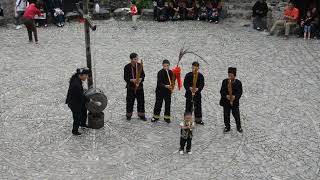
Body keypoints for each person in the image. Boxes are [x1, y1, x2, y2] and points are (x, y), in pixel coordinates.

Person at [66, 68, 90, 136]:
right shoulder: (76, 84)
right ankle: (75, 130)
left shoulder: (76, 78)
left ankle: (82, 123)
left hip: (77, 100)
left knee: (84, 110)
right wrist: (88, 99)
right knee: (77, 116)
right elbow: (81, 96)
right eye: (86, 75)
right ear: (81, 75)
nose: (86, 77)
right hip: (74, 103)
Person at [124, 53, 146, 121]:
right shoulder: (127, 67)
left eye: (137, 59)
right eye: (135, 59)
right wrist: (132, 80)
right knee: (130, 102)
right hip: (131, 88)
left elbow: (143, 75)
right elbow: (126, 77)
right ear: (131, 59)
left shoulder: (140, 65)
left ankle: (141, 115)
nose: (137, 60)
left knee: (141, 101)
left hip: (139, 87)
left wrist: (140, 79)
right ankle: (129, 115)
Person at [219, 67, 243, 133]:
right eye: (229, 75)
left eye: (231, 75)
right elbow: (222, 91)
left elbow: (240, 93)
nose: (229, 77)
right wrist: (226, 96)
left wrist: (235, 97)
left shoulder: (238, 83)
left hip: (235, 102)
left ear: (234, 76)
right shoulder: (224, 81)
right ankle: (227, 127)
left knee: (236, 115)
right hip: (226, 102)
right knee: (226, 115)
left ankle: (239, 127)